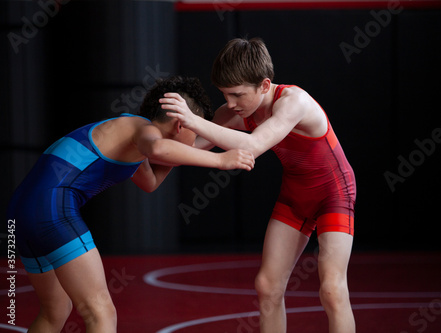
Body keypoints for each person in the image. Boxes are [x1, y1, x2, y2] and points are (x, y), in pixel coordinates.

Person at [7, 75, 255, 333]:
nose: (197, 141)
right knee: (100, 313)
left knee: (54, 311)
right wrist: (221, 161)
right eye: (197, 132)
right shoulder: (143, 130)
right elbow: (160, 148)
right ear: (181, 125)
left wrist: (216, 137)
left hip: (21, 211)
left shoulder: (131, 137)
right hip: (51, 208)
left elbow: (151, 182)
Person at [160, 38, 356, 332]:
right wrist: (152, 145)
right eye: (225, 95)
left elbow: (252, 145)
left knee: (331, 289)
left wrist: (192, 120)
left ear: (264, 85)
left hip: (334, 193)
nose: (230, 104)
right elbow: (195, 148)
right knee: (267, 286)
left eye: (237, 94)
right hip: (295, 194)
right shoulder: (238, 111)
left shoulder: (294, 101)